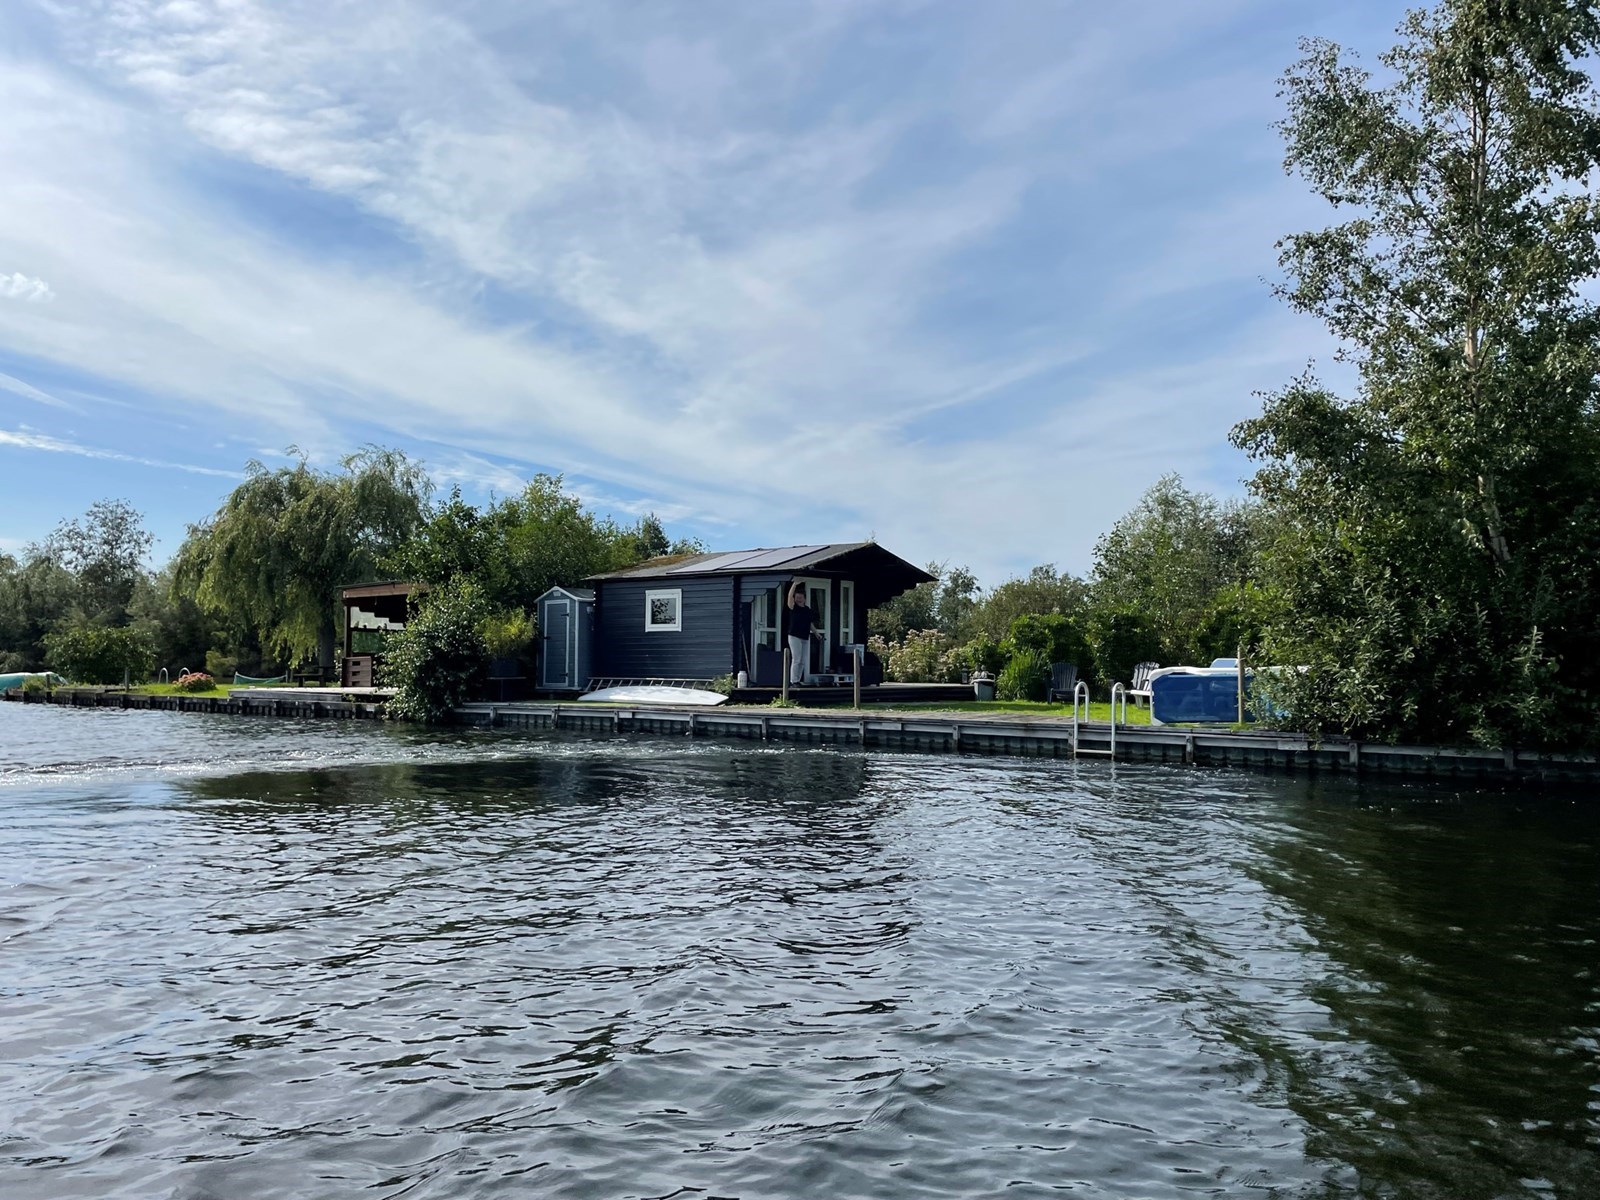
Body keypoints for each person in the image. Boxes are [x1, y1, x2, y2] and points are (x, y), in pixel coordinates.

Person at [786, 582, 819, 686]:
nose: (798, 599)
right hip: (794, 636)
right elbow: (789, 596)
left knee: (803, 660)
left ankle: (798, 679)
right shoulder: (793, 607)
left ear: (804, 599)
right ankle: (793, 681)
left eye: (800, 597)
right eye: (797, 597)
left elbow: (809, 623)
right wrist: (794, 585)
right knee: (796, 658)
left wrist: (816, 633)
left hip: (805, 637)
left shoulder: (807, 610)